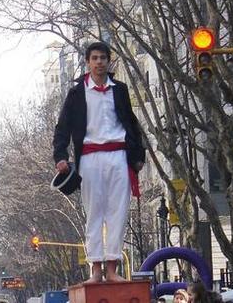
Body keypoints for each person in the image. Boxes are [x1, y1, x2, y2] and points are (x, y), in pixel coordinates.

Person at [53, 41, 146, 283]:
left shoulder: (120, 90)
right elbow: (62, 128)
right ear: (87, 62)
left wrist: (138, 156)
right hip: (90, 158)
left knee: (118, 211)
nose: (99, 62)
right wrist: (60, 157)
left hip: (118, 156)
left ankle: (113, 268)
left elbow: (131, 124)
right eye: (94, 58)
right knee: (94, 212)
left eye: (103, 58)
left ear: (109, 61)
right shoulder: (76, 94)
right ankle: (95, 269)